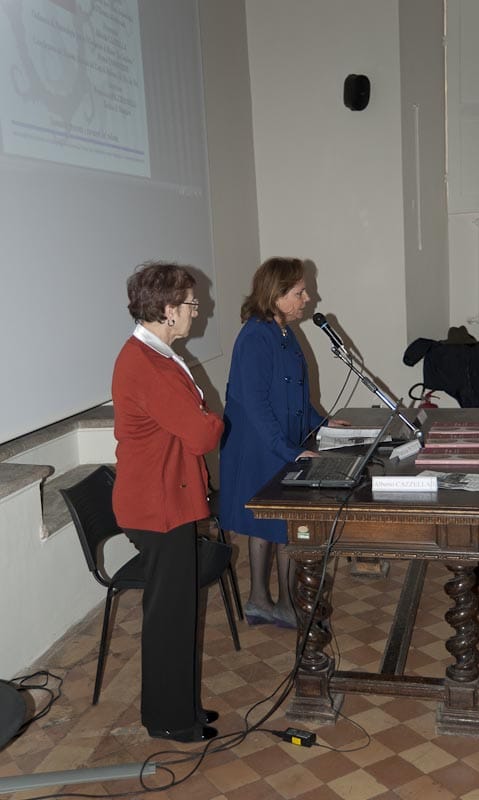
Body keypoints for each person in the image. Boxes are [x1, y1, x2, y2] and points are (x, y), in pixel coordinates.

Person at [112, 261, 224, 743]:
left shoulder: (154, 354)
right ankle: (169, 720)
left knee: (176, 610)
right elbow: (202, 434)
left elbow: (190, 423)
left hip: (164, 499)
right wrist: (214, 419)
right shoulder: (148, 365)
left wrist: (202, 416)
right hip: (156, 506)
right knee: (169, 616)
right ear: (167, 308)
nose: (198, 312)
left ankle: (183, 707)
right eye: (192, 303)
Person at [219, 257, 349, 628]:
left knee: (273, 523)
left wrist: (321, 422)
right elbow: (256, 406)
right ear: (276, 295)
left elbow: (296, 394)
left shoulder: (283, 332)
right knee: (279, 523)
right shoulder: (255, 338)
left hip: (278, 442)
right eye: (299, 292)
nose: (307, 298)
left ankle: (263, 601)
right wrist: (290, 451)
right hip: (259, 446)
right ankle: (283, 606)